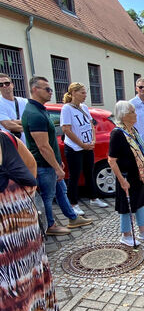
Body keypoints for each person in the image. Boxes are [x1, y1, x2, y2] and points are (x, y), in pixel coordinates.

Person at [0, 131, 59, 311]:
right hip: (3, 253)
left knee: (30, 292)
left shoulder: (7, 138)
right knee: (7, 302)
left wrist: (23, 202)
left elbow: (31, 164)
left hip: (26, 242)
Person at [22, 76, 92, 236]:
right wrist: (56, 166)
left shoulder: (40, 110)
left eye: (50, 89)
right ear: (35, 90)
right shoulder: (34, 113)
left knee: (61, 191)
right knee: (48, 196)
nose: (50, 92)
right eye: (47, 89)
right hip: (43, 164)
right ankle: (50, 225)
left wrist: (58, 162)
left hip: (50, 163)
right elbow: (43, 146)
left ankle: (72, 218)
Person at [108, 101, 144, 246]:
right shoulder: (117, 133)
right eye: (132, 112)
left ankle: (142, 232)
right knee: (126, 206)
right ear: (124, 115)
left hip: (138, 174)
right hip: (126, 176)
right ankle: (126, 235)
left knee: (140, 202)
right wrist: (122, 180)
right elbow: (111, 160)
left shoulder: (132, 130)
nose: (136, 114)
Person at [61, 82, 108, 216]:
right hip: (75, 148)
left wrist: (93, 140)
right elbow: (66, 129)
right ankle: (73, 203)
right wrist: (82, 144)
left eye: (85, 92)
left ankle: (94, 198)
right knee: (74, 175)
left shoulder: (84, 107)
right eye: (82, 92)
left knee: (89, 172)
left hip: (88, 146)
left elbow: (91, 124)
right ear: (73, 93)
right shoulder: (67, 109)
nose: (85, 95)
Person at [0, 72, 27, 143]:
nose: (4, 86)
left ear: (12, 85)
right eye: (1, 85)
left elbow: (33, 120)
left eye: (7, 83)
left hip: (27, 144)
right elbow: (8, 125)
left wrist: (14, 121)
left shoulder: (24, 101)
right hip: (10, 145)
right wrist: (28, 128)